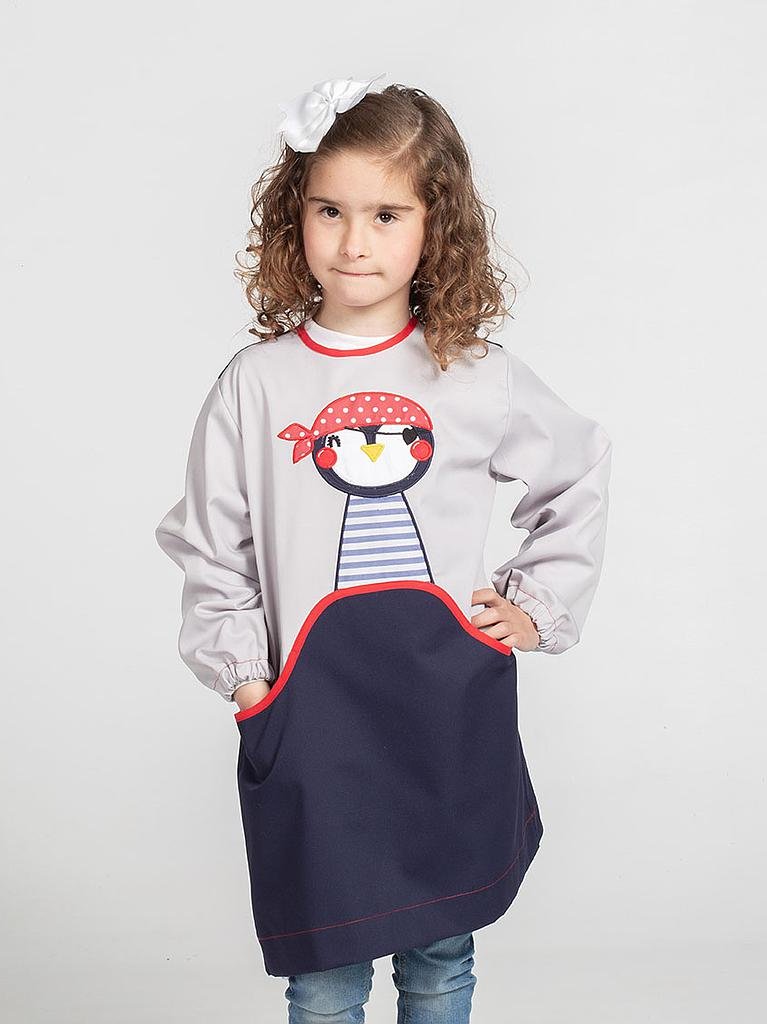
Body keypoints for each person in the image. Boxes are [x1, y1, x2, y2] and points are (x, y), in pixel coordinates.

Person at [155, 73, 613, 1024]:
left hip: (443, 710)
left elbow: (576, 472)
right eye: (330, 211)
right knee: (323, 968)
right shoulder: (256, 385)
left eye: (386, 214)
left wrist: (532, 607)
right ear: (295, 219)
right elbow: (211, 545)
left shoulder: (474, 375)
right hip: (311, 715)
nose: (354, 242)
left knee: (440, 953)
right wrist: (250, 680)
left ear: (435, 226)